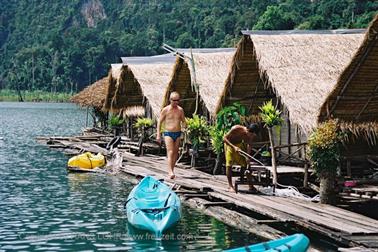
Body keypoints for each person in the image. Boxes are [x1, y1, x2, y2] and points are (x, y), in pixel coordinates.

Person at [157, 91, 186, 179]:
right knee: (170, 151)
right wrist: (158, 134)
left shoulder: (180, 110)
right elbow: (159, 122)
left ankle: (172, 170)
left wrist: (185, 127)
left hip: (177, 133)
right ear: (170, 100)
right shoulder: (165, 109)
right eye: (174, 100)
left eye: (177, 100)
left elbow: (183, 120)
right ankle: (170, 171)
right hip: (168, 133)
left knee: (176, 153)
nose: (176, 102)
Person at [223, 123, 259, 193]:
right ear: (247, 130)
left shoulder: (250, 135)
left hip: (240, 145)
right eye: (251, 134)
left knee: (246, 165)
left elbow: (249, 144)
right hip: (230, 145)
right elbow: (224, 138)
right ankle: (230, 186)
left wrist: (248, 157)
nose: (251, 136)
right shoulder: (236, 128)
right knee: (229, 164)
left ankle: (251, 186)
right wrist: (234, 147)